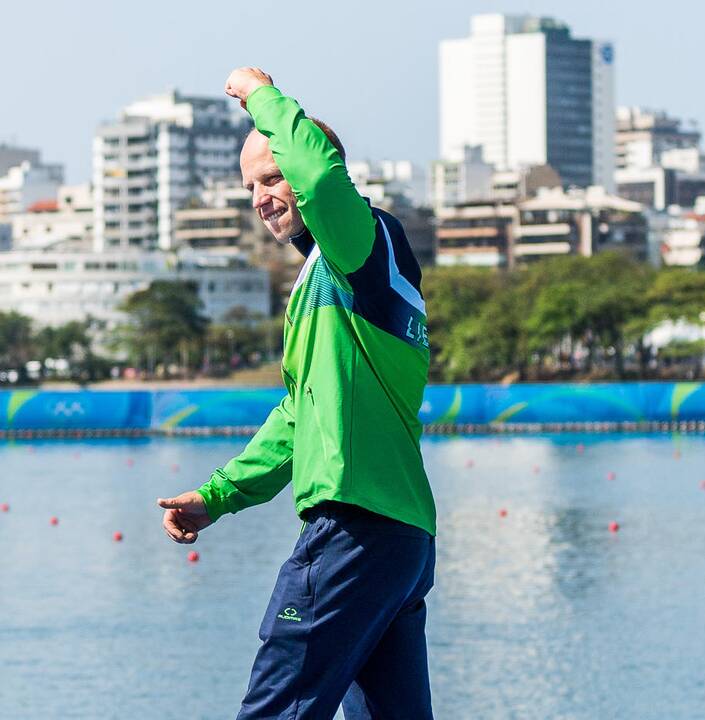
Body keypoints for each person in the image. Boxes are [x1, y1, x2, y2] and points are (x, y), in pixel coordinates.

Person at [157, 67, 437, 720]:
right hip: (398, 541)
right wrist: (218, 495)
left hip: (355, 528)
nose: (260, 197)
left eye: (271, 176)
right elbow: (297, 415)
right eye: (250, 186)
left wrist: (260, 94)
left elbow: (317, 178)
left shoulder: (366, 244)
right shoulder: (324, 278)